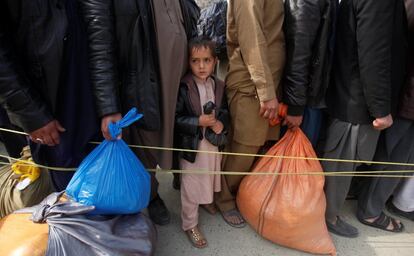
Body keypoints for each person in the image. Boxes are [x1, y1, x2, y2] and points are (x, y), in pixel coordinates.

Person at [80, 0, 189, 225]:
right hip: (142, 80)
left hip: (178, 77)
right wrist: (108, 106)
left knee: (177, 131)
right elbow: (100, 44)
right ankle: (150, 195)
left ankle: (179, 181)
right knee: (145, 145)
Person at [321, 0, 407, 237]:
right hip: (356, 100)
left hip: (354, 95)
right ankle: (329, 216)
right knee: (342, 161)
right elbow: (373, 54)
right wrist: (380, 108)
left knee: (345, 160)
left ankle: (330, 212)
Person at [0, 0, 100, 191]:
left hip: (94, 84)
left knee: (107, 175)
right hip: (50, 99)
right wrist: (31, 113)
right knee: (71, 186)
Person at [215, 0, 285, 228]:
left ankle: (241, 196)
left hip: (267, 83)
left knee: (257, 146)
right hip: (252, 86)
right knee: (244, 146)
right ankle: (223, 200)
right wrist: (265, 91)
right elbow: (251, 39)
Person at [357, 0, 413, 230]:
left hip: (405, 94)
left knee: (403, 159)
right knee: (395, 157)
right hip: (407, 96)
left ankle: (373, 206)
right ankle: (370, 211)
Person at [175, 37, 229, 248]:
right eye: (195, 61)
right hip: (192, 148)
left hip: (212, 146)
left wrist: (220, 124)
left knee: (207, 179)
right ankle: (190, 224)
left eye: (206, 60)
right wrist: (197, 121)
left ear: (215, 61)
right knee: (191, 185)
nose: (201, 66)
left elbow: (225, 112)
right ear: (188, 62)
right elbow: (176, 119)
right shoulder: (185, 87)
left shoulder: (219, 85)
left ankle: (205, 202)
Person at [283, 0, 338, 146]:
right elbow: (298, 51)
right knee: (296, 161)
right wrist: (295, 106)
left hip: (313, 96)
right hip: (306, 100)